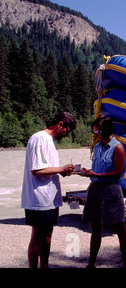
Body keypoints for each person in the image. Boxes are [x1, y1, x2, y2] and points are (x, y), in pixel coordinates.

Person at [21, 111, 77, 268]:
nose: (67, 135)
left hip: (49, 198)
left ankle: (44, 266)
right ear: (60, 124)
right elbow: (36, 170)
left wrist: (62, 172)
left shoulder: (49, 140)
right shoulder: (39, 139)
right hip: (38, 198)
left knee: (47, 235)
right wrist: (61, 168)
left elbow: (47, 168)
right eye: (68, 131)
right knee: (38, 236)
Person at [81, 116, 126, 268]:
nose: (95, 134)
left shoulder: (118, 148)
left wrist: (95, 175)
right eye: (94, 131)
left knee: (119, 227)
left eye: (98, 131)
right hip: (95, 189)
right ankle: (91, 264)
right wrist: (88, 172)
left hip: (111, 190)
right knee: (94, 227)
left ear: (107, 131)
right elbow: (96, 169)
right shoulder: (97, 147)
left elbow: (117, 173)